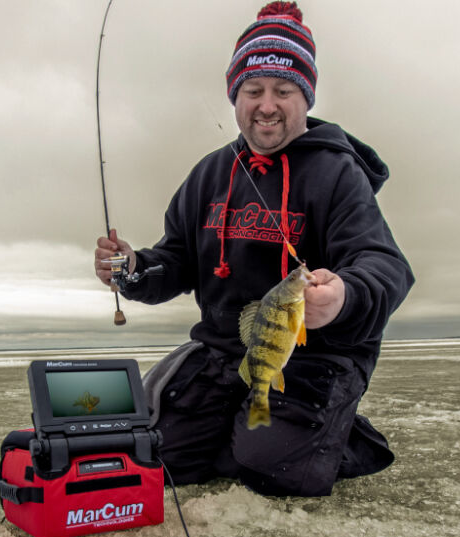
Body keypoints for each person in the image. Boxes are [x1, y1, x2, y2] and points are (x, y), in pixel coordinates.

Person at [93, 1, 413, 497]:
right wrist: (133, 268)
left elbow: (385, 265)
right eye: (253, 90)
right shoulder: (209, 174)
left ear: (305, 97)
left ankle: (332, 432)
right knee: (158, 455)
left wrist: (343, 296)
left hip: (317, 356)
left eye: (283, 91)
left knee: (269, 469)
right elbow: (176, 261)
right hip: (223, 352)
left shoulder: (338, 174)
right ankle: (247, 424)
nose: (267, 104)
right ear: (235, 95)